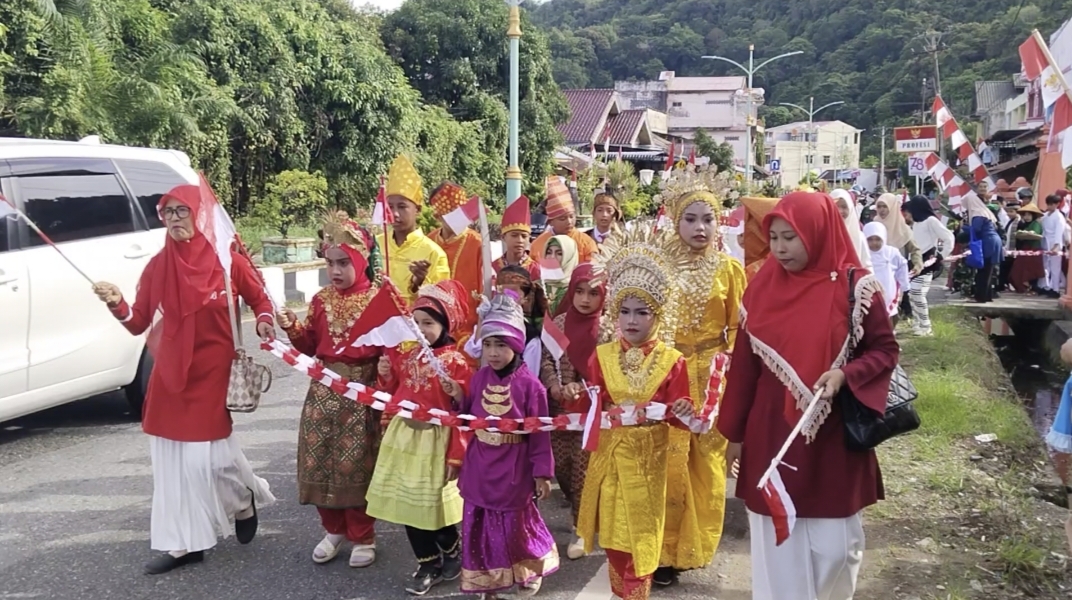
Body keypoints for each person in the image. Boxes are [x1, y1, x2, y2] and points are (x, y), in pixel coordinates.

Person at [718, 191, 899, 600]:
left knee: (838, 550)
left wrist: (846, 373)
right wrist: (735, 435)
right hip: (771, 434)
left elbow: (885, 350)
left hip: (833, 436)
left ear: (819, 232)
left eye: (791, 237)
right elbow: (744, 369)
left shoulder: (858, 287)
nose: (781, 248)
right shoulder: (761, 287)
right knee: (777, 550)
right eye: (775, 237)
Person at [91, 184, 276, 575]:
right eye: (168, 213)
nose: (174, 219)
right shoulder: (159, 265)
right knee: (171, 463)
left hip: (214, 373)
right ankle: (182, 545)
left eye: (182, 211)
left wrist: (263, 323)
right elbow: (138, 321)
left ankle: (243, 499)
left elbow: (261, 300)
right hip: (171, 375)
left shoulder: (227, 261)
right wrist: (117, 304)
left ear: (200, 214)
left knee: (210, 461)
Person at [577, 225, 697, 600]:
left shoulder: (672, 361)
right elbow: (591, 404)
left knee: (640, 541)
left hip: (646, 468)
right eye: (625, 311)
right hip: (609, 463)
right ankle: (620, 593)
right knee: (613, 537)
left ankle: (634, 595)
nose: (632, 320)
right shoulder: (603, 356)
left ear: (658, 314)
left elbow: (684, 416)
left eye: (642, 312)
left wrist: (681, 410)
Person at [654, 166, 747, 586]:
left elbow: (738, 332)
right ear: (675, 221)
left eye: (707, 218)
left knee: (706, 463)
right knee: (668, 459)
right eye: (690, 218)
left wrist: (725, 372)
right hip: (669, 374)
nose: (699, 227)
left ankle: (695, 546)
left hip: (713, 377)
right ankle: (664, 551)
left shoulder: (730, 271)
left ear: (719, 221)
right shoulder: (660, 268)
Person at [277, 214, 384, 567]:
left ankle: (362, 535)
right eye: (330, 263)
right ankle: (333, 530)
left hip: (361, 393)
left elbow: (391, 349)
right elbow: (310, 344)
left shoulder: (378, 298)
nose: (335, 271)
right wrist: (292, 327)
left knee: (356, 464)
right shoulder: (321, 299)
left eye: (343, 263)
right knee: (319, 458)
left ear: (361, 260)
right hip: (322, 391)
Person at [366, 280, 475, 596]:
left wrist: (457, 453)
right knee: (408, 507)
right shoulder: (408, 356)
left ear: (446, 324)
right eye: (417, 322)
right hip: (404, 440)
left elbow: (464, 414)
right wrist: (387, 372)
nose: (421, 329)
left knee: (431, 510)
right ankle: (427, 564)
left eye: (429, 323)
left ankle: (451, 549)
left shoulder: (456, 363)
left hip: (435, 444)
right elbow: (394, 392)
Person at [458, 291, 560, 599]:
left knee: (515, 525)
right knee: (481, 523)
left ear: (516, 345)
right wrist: (455, 397)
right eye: (487, 344)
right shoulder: (478, 378)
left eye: (501, 344)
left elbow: (540, 434)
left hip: (514, 467)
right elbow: (466, 417)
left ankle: (527, 569)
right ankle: (489, 578)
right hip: (480, 464)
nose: (492, 352)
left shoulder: (532, 387)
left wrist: (542, 474)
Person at [539, 264, 613, 560]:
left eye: (593, 293)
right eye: (579, 291)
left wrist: (585, 390)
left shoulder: (609, 327)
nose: (585, 299)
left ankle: (580, 527)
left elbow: (611, 369)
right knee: (563, 469)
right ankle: (580, 511)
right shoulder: (559, 320)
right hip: (559, 408)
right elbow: (546, 359)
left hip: (593, 410)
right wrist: (555, 386)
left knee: (584, 469)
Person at [377, 154, 451, 304]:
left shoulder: (433, 253)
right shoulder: (375, 245)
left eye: (402, 207)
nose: (395, 213)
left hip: (414, 325)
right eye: (390, 207)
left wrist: (419, 283)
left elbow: (443, 302)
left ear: (417, 209)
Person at [427, 181, 484, 342]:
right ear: (438, 215)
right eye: (450, 214)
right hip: (433, 328)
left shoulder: (478, 243)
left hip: (467, 333)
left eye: (460, 213)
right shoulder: (428, 242)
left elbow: (485, 291)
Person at [468, 265, 548, 374]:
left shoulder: (531, 338)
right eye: (501, 290)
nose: (505, 296)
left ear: (526, 298)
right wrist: (482, 317)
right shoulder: (488, 323)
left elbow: (530, 374)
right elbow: (475, 352)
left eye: (512, 291)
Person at [903, 195, 955, 336]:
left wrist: (942, 255)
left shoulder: (931, 221)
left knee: (917, 292)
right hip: (914, 261)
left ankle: (926, 326)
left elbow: (948, 237)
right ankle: (917, 322)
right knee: (912, 294)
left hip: (928, 261)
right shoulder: (916, 223)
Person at [530, 176, 599, 264]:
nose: (569, 221)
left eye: (571, 216)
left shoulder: (586, 243)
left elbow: (592, 272)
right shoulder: (538, 244)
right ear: (551, 222)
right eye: (562, 218)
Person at [962, 192, 1005, 303]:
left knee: (983, 271)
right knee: (988, 270)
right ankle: (987, 296)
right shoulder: (984, 211)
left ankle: (980, 297)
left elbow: (976, 229)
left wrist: (964, 227)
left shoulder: (978, 213)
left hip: (988, 241)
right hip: (993, 240)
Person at [863, 222, 910, 323]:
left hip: (888, 290)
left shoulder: (891, 252)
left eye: (877, 239)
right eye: (870, 239)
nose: (874, 243)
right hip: (868, 292)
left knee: (889, 315)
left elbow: (902, 267)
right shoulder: (863, 253)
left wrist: (904, 286)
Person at [493, 195, 542, 282]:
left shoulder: (536, 270)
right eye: (514, 235)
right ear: (503, 237)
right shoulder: (492, 268)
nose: (520, 240)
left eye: (524, 236)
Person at [831, 188, 872, 269]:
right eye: (835, 207)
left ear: (850, 208)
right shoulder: (823, 235)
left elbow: (866, 266)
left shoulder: (859, 237)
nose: (839, 211)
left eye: (844, 207)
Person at [1009, 203, 1045, 293]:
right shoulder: (1025, 225)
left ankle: (1029, 286)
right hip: (1025, 248)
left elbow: (1035, 233)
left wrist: (1026, 234)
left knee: (1030, 270)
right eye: (1025, 215)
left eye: (1029, 215)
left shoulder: (1036, 223)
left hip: (1033, 249)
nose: (1026, 217)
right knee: (1018, 268)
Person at [1041, 193, 1069, 298]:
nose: (1049, 206)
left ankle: (1056, 289)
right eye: (1048, 204)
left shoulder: (1059, 217)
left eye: (1052, 204)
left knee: (1055, 268)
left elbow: (1059, 232)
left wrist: (1056, 245)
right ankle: (1047, 286)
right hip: (1045, 242)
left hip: (1054, 243)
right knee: (1045, 267)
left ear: (1057, 204)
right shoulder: (1045, 216)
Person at [543, 235, 579, 315]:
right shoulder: (536, 286)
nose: (552, 257)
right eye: (548, 252)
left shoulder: (577, 289)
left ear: (569, 258)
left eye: (559, 253)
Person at [999, 201, 1023, 290]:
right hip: (1007, 249)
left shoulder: (1020, 222)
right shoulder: (1010, 221)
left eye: (1011, 211)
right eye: (1008, 211)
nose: (1009, 214)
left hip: (1015, 250)